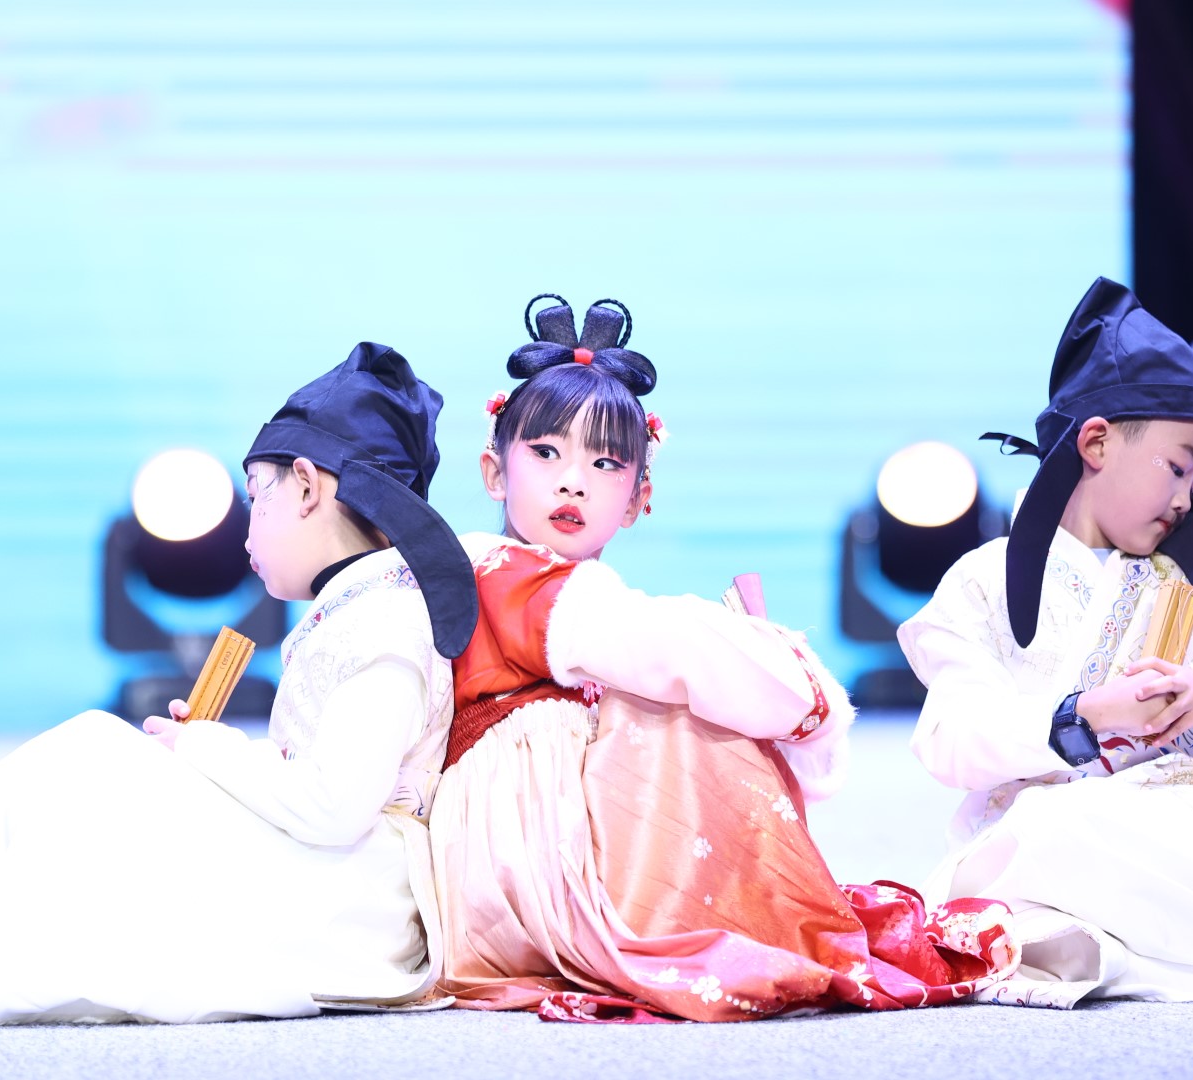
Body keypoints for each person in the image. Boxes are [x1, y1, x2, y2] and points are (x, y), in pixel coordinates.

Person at [0, 342, 479, 1027]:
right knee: (99, 757)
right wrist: (204, 754)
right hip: (327, 873)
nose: (245, 532)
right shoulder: (362, 609)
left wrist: (208, 751)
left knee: (96, 755)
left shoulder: (384, 624)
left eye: (256, 498)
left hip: (350, 909)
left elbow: (333, 808)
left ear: (308, 486)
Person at [429, 294, 1018, 1023]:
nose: (572, 480)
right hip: (513, 859)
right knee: (675, 704)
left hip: (531, 855)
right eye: (546, 453)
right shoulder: (497, 569)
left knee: (682, 689)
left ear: (638, 498)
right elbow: (665, 646)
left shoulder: (560, 589)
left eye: (604, 462)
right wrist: (806, 693)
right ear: (494, 472)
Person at [898, 277, 1193, 1007]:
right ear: (1096, 442)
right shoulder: (982, 581)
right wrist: (1083, 716)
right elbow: (952, 737)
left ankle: (1187, 942)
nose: (1186, 498)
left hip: (1191, 816)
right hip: (1065, 826)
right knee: (1064, 829)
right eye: (1177, 467)